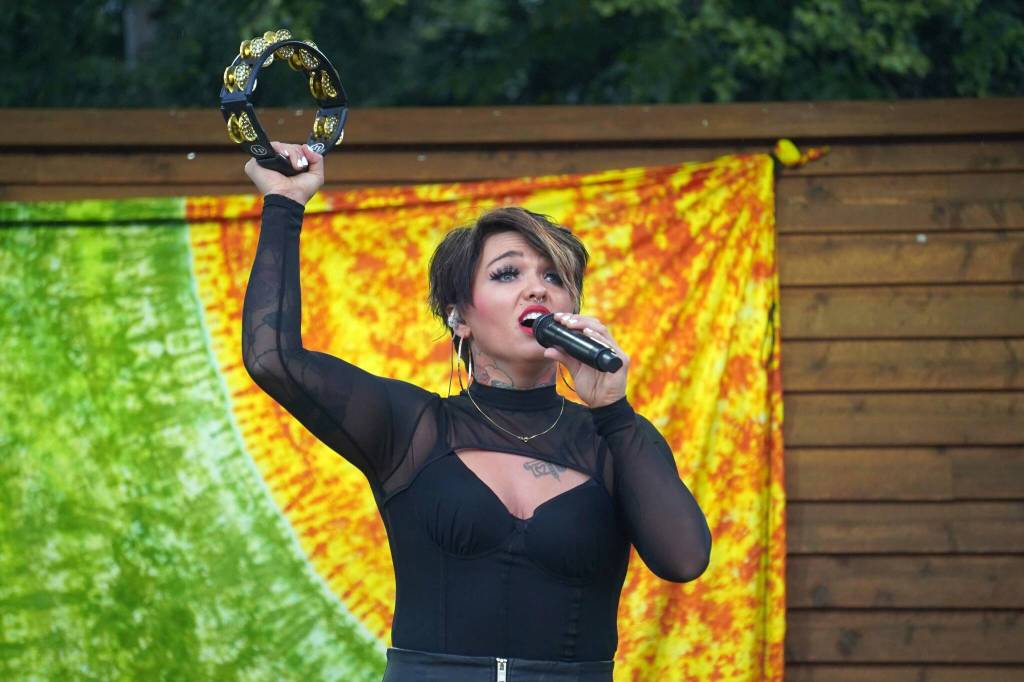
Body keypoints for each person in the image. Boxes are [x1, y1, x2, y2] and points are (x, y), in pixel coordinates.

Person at [242, 142, 712, 682]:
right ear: (459, 317)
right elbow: (272, 357)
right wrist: (284, 204)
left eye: (556, 278)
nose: (538, 287)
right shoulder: (411, 428)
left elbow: (684, 560)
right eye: (508, 274)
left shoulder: (615, 438)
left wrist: (614, 410)